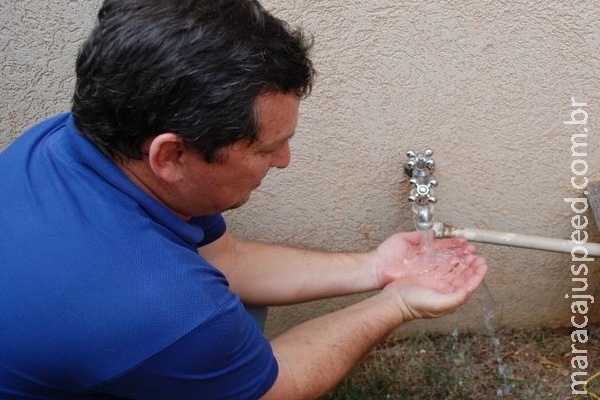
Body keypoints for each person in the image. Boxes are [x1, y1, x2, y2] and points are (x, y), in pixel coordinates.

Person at [0, 0, 487, 399]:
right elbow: (276, 385)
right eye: (267, 148)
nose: (284, 162)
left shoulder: (71, 140)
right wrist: (397, 305)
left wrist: (377, 269)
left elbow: (226, 259)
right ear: (171, 154)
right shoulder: (160, 307)